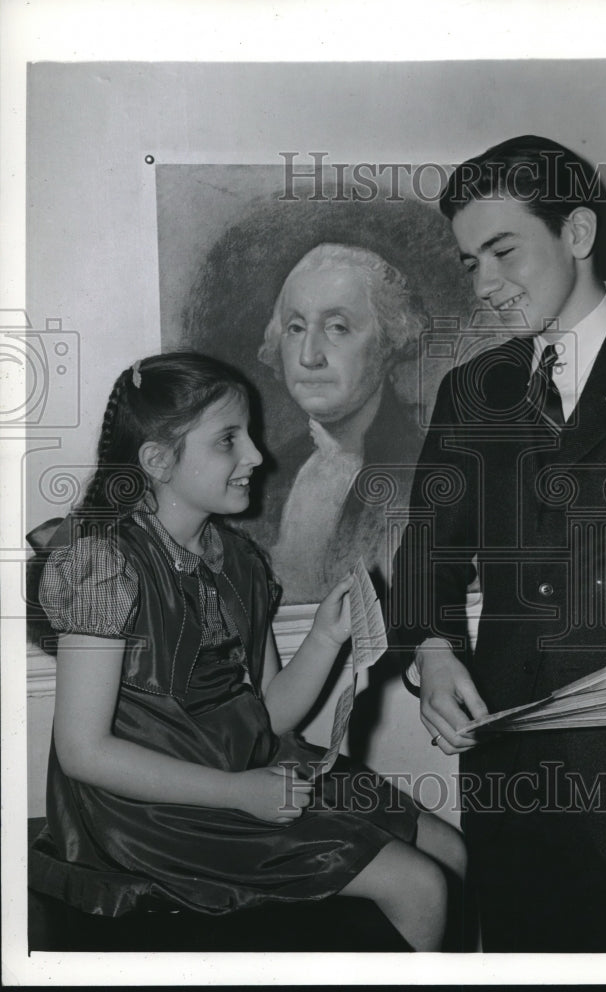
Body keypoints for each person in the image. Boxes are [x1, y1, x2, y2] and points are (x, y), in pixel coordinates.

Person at [390, 136, 606, 952]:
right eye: (471, 263)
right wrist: (431, 651)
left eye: (504, 252)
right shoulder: (470, 393)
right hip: (507, 778)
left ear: (576, 234)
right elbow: (427, 548)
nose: (488, 285)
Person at [27, 351, 466, 952]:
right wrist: (241, 794)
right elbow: (83, 753)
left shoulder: (235, 560)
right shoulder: (101, 563)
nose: (257, 455)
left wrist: (324, 638)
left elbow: (269, 715)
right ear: (157, 461)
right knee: (418, 886)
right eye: (228, 440)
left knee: (453, 850)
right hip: (147, 811)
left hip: (244, 770)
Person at [236, 243, 426, 603]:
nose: (309, 356)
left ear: (390, 340)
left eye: (337, 327)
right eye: (295, 327)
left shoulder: (426, 475)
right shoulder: (263, 477)